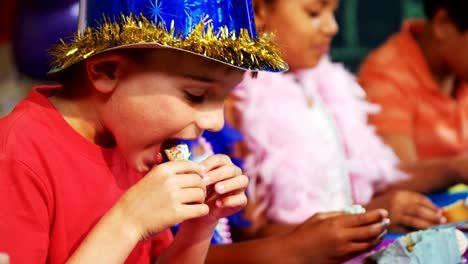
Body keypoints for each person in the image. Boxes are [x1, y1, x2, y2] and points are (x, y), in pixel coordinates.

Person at [0, 0, 288, 262]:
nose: (216, 123)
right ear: (107, 72)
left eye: (223, 97)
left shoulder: (136, 145)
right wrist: (128, 222)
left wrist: (199, 225)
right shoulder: (17, 155)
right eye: (196, 95)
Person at [220, 0, 447, 238]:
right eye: (314, 13)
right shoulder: (238, 102)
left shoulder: (326, 88)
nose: (332, 27)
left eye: (333, 12)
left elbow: (359, 187)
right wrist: (366, 216)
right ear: (258, 11)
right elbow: (248, 235)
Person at [358, 0, 468, 194]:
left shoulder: (459, 69)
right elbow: (392, 179)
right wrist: (456, 168)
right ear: (442, 25)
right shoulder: (385, 74)